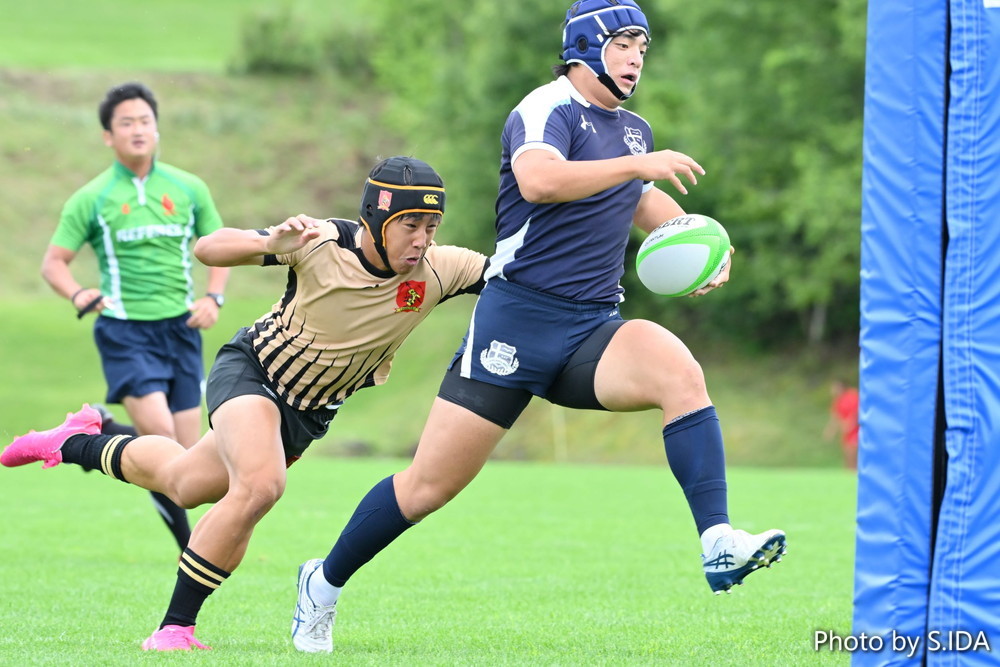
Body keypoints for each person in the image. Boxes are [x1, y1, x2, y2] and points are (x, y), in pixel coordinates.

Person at [288, 0, 787, 654]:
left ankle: (718, 540)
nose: (638, 55)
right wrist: (638, 166)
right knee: (428, 486)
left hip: (591, 329)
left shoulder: (633, 130)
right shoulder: (544, 108)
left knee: (679, 371)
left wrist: (701, 245)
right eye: (626, 42)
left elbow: (642, 200)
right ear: (586, 45)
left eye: (644, 45)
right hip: (515, 323)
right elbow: (540, 178)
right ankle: (321, 584)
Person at [2, 156, 488, 652]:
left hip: (307, 415)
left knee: (184, 483)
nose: (422, 239)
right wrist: (268, 243)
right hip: (252, 372)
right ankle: (174, 628)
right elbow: (207, 248)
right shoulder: (320, 241)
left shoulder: (444, 269)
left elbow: (520, 280)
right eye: (410, 224)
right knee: (260, 487)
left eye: (431, 226)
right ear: (375, 217)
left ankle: (78, 439)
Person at [39, 82, 230, 551]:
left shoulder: (188, 188)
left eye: (145, 120)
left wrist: (214, 298)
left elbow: (222, 246)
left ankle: (99, 431)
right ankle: (190, 550)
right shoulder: (93, 197)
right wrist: (79, 293)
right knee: (160, 438)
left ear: (158, 128)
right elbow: (53, 263)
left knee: (190, 462)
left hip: (181, 331)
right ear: (108, 135)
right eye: (126, 123)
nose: (138, 129)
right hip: (125, 332)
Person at [824, 379, 859, 469]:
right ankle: (849, 472)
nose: (832, 390)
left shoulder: (852, 396)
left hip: (856, 430)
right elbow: (835, 418)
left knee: (852, 451)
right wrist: (830, 431)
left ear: (841, 387)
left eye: (834, 387)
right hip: (846, 432)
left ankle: (855, 471)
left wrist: (850, 425)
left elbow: (856, 412)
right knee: (847, 452)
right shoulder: (837, 401)